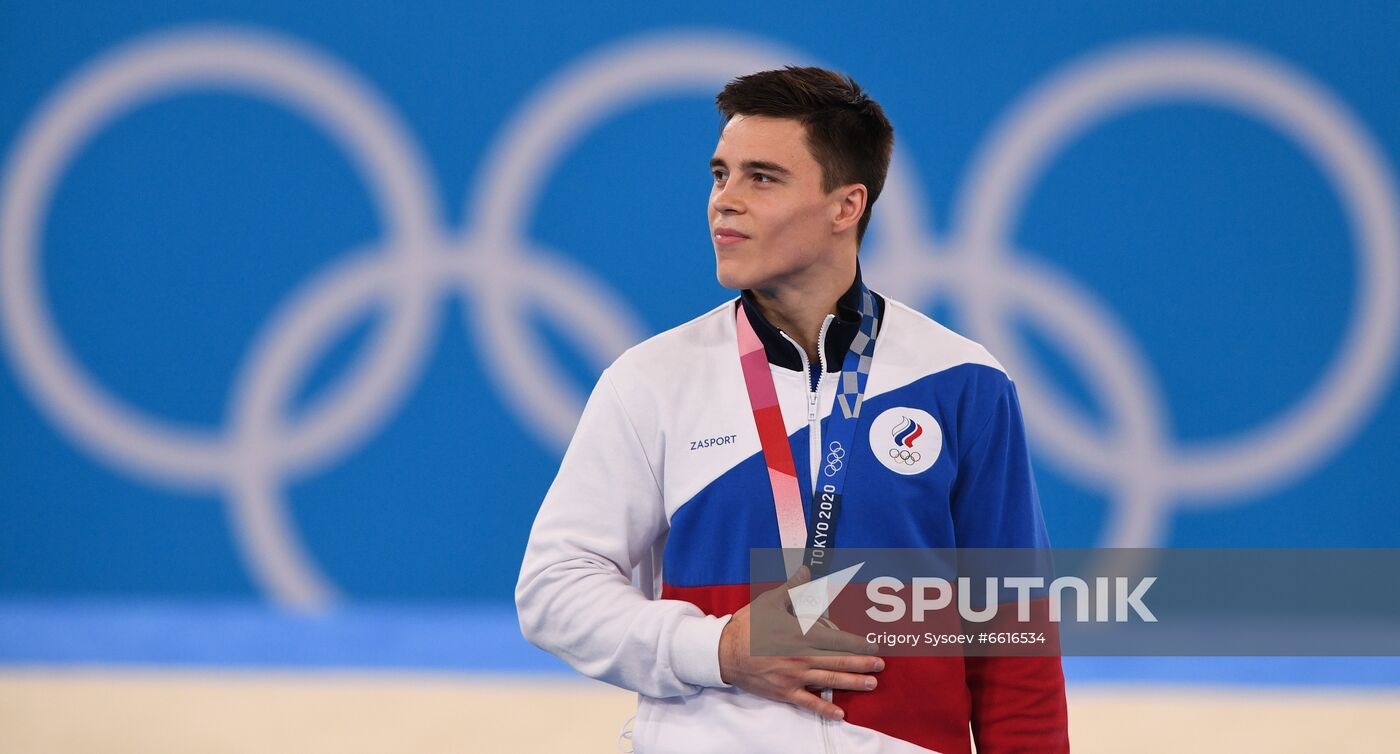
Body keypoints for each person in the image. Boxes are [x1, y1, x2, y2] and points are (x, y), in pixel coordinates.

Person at [516, 66, 1069, 753]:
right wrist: (715, 649)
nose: (725, 202)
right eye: (720, 175)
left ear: (846, 206)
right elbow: (553, 590)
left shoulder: (962, 381)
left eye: (762, 178)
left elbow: (1014, 639)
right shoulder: (652, 380)